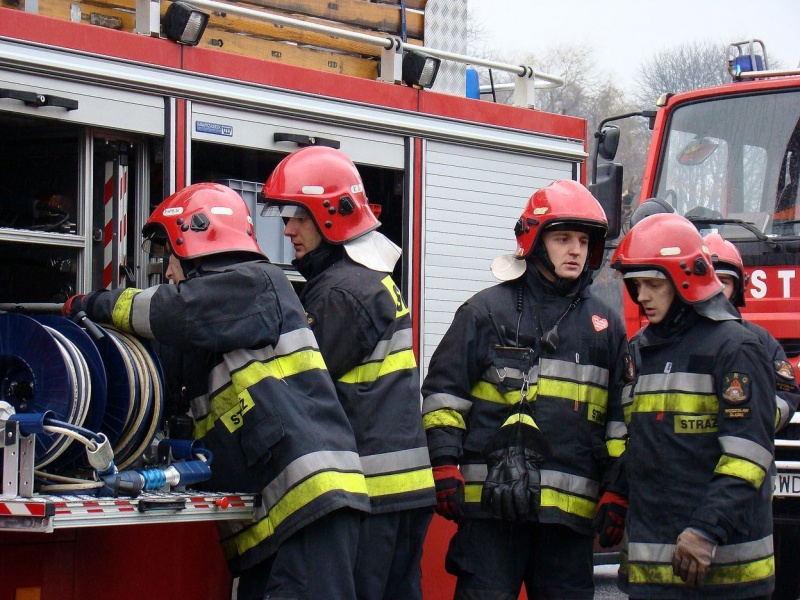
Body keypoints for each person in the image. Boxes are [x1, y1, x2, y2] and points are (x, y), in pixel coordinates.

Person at [63, 183, 370, 600]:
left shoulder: (259, 285)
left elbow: (174, 311)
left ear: (193, 241)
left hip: (310, 502)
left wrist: (93, 303)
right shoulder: (209, 327)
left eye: (168, 258)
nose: (167, 275)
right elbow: (154, 380)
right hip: (271, 516)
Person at [420, 179, 630, 599]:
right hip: (492, 517)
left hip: (568, 524)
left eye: (584, 241)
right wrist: (444, 465)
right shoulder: (484, 312)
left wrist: (617, 490)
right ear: (534, 241)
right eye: (563, 238)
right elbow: (445, 392)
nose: (575, 250)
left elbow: (620, 420)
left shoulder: (605, 326)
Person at [260, 146, 436, 600]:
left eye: (298, 215)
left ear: (331, 214)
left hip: (370, 494)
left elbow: (296, 385)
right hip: (403, 491)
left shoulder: (340, 293)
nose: (288, 228)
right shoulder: (366, 279)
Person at [611, 212, 775, 599]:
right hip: (652, 572)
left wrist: (706, 530)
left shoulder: (736, 348)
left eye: (653, 284)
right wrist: (615, 494)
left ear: (687, 281)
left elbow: (747, 457)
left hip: (724, 574)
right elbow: (632, 441)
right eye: (637, 285)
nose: (643, 297)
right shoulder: (639, 350)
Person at [703, 232, 800, 600]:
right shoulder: (666, 341)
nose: (715, 290)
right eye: (708, 277)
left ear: (738, 289)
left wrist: (753, 421)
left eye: (724, 281)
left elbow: (788, 392)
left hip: (746, 483)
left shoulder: (756, 341)